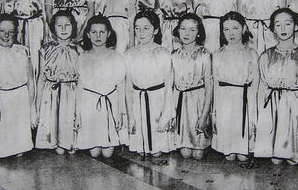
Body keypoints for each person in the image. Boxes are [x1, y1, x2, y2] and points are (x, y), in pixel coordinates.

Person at [254, 8, 298, 165]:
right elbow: (262, 88)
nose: (283, 28)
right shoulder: (266, 56)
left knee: (294, 160)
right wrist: (259, 115)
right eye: (278, 25)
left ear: (295, 26)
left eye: (287, 24)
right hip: (273, 108)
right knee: (276, 160)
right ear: (273, 29)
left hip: (296, 108)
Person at [0, 14, 37, 158]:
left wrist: (31, 110)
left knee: (19, 151)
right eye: (2, 31)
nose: (6, 35)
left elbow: (31, 83)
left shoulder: (23, 52)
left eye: (10, 31)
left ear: (15, 33)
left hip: (19, 102)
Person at [75, 15, 127, 157]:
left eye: (102, 32)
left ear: (109, 33)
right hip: (90, 107)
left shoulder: (116, 57)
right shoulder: (83, 57)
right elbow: (80, 88)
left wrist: (120, 113)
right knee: (94, 153)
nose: (98, 36)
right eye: (94, 32)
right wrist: (78, 115)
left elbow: (121, 86)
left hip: (109, 105)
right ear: (88, 34)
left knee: (108, 153)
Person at [125, 10, 174, 157]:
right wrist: (130, 115)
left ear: (156, 30)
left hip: (157, 101)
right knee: (140, 150)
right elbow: (128, 86)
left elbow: (168, 85)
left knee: (157, 152)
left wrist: (166, 115)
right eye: (137, 28)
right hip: (138, 101)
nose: (141, 33)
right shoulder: (130, 54)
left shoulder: (163, 53)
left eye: (146, 28)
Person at [211, 11, 258, 162]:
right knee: (229, 156)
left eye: (235, 28)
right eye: (226, 29)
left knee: (243, 156)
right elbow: (215, 85)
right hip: (225, 100)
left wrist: (254, 112)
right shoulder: (217, 54)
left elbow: (256, 85)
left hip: (244, 99)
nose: (231, 33)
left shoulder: (251, 53)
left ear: (243, 29)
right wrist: (214, 112)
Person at [35, 10, 80, 154]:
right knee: (58, 148)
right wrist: (37, 106)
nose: (63, 29)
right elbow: (41, 78)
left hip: (71, 93)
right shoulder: (46, 49)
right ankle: (54, 140)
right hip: (51, 94)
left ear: (73, 27)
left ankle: (69, 141)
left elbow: (82, 80)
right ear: (53, 28)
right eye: (59, 25)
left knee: (67, 144)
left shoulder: (78, 50)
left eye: (67, 25)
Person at [170, 13, 212, 159]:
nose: (187, 33)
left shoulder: (205, 55)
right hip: (180, 103)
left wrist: (204, 116)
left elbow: (209, 89)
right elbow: (170, 86)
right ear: (178, 30)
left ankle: (205, 143)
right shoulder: (173, 55)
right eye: (183, 29)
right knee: (185, 153)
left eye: (192, 30)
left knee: (198, 154)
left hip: (198, 104)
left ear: (199, 32)